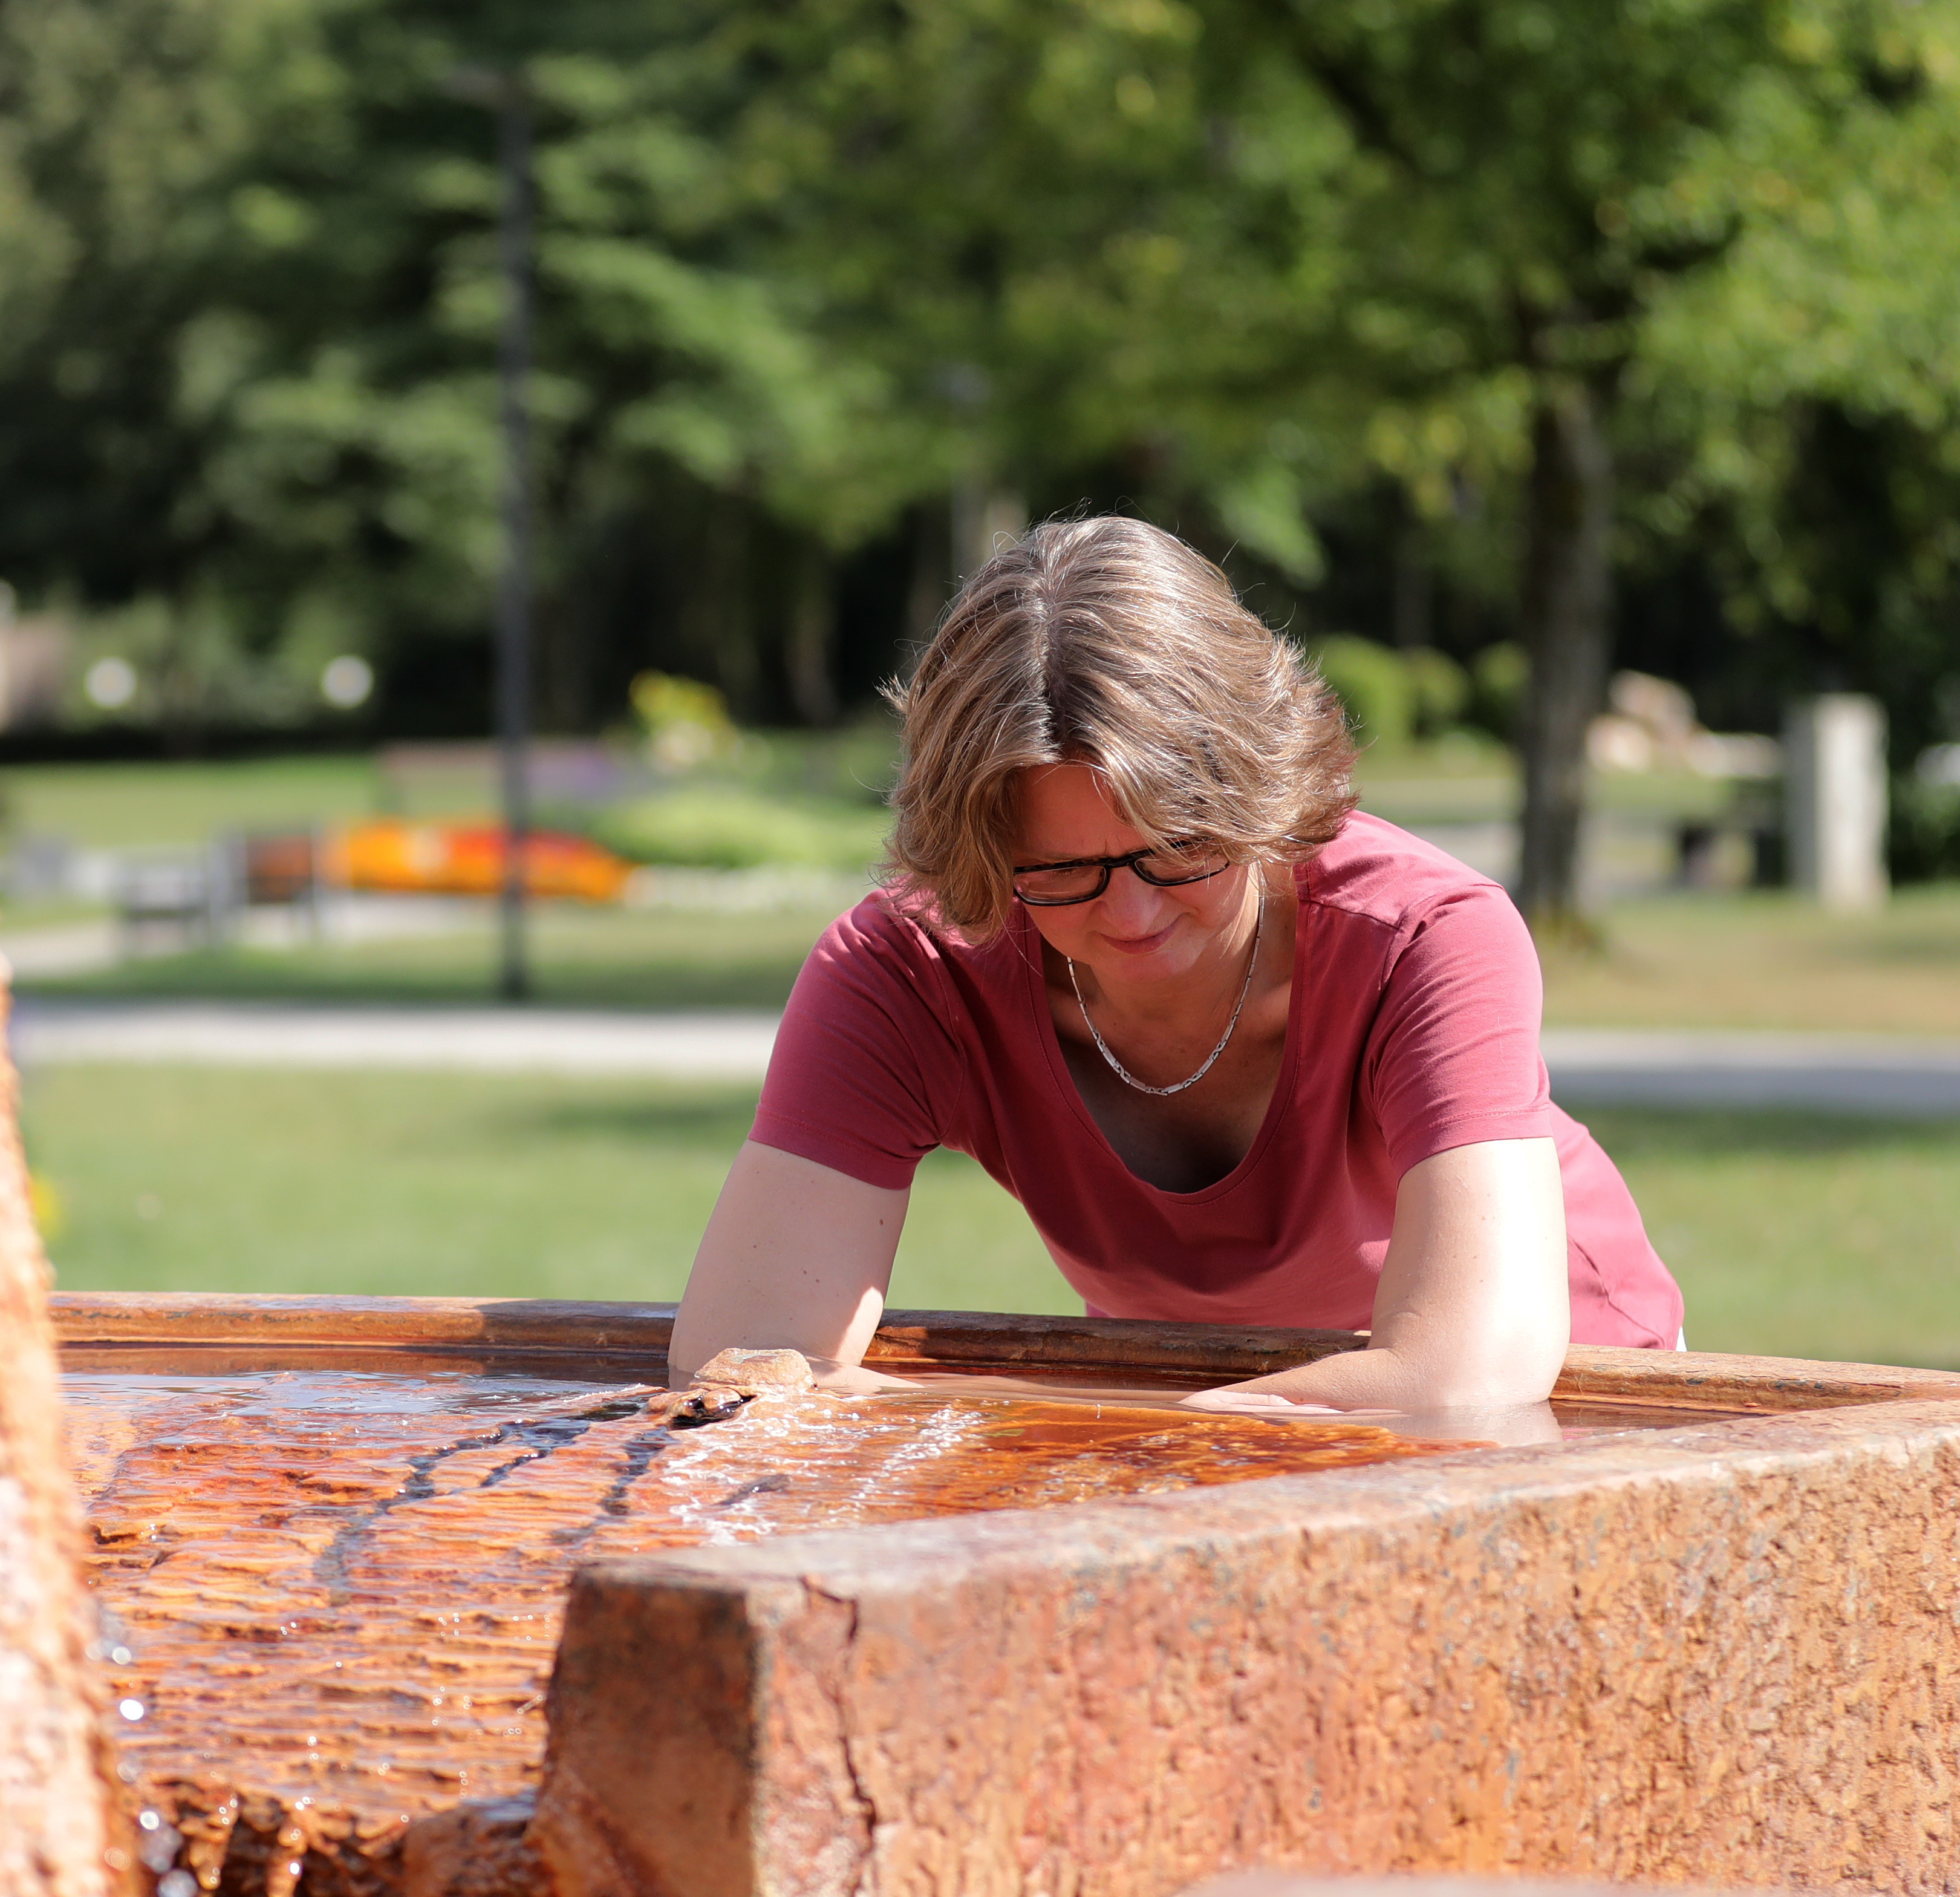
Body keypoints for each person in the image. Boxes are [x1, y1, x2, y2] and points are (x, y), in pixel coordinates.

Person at [672, 517, 1681, 1414]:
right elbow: (747, 1361)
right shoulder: (909, 969)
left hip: (1575, 1391)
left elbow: (1459, 1381)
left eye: (1179, 845)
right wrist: (1123, 1440)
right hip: (1201, 1409)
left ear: (1258, 790)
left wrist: (1087, 1444)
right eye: (1059, 872)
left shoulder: (1423, 934)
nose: (1132, 910)